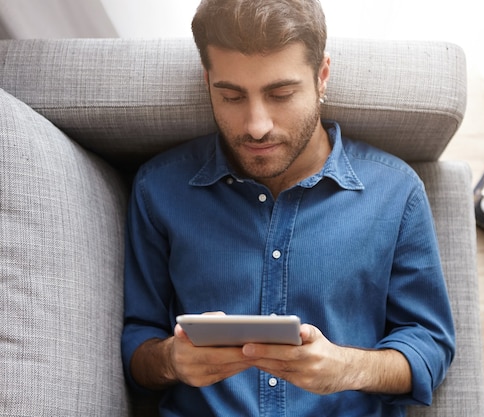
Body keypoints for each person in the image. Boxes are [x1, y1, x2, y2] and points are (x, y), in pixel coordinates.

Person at [121, 0, 455, 415]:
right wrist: (172, 360)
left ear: (322, 76)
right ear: (208, 82)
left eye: (281, 94)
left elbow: (430, 345)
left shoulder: (395, 191)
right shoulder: (159, 189)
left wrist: (349, 368)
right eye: (231, 96)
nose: (256, 125)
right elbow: (138, 344)